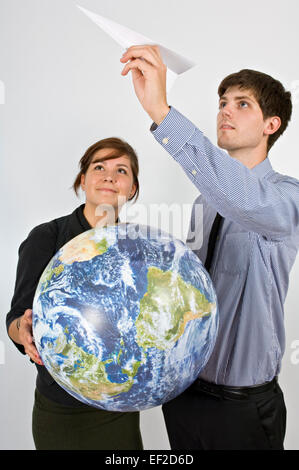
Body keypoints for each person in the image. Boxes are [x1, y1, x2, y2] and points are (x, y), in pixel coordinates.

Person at [120, 46, 299, 450]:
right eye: (222, 102)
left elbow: (243, 199)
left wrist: (164, 114)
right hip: (185, 395)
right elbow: (190, 290)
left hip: (242, 409)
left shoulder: (286, 198)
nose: (225, 111)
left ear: (272, 124)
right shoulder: (205, 203)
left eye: (241, 104)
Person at [6, 137, 143, 450]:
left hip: (118, 407)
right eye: (99, 167)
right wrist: (23, 332)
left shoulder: (138, 248)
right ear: (83, 180)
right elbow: (15, 319)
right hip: (60, 410)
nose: (110, 176)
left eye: (121, 170)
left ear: (132, 188)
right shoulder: (46, 238)